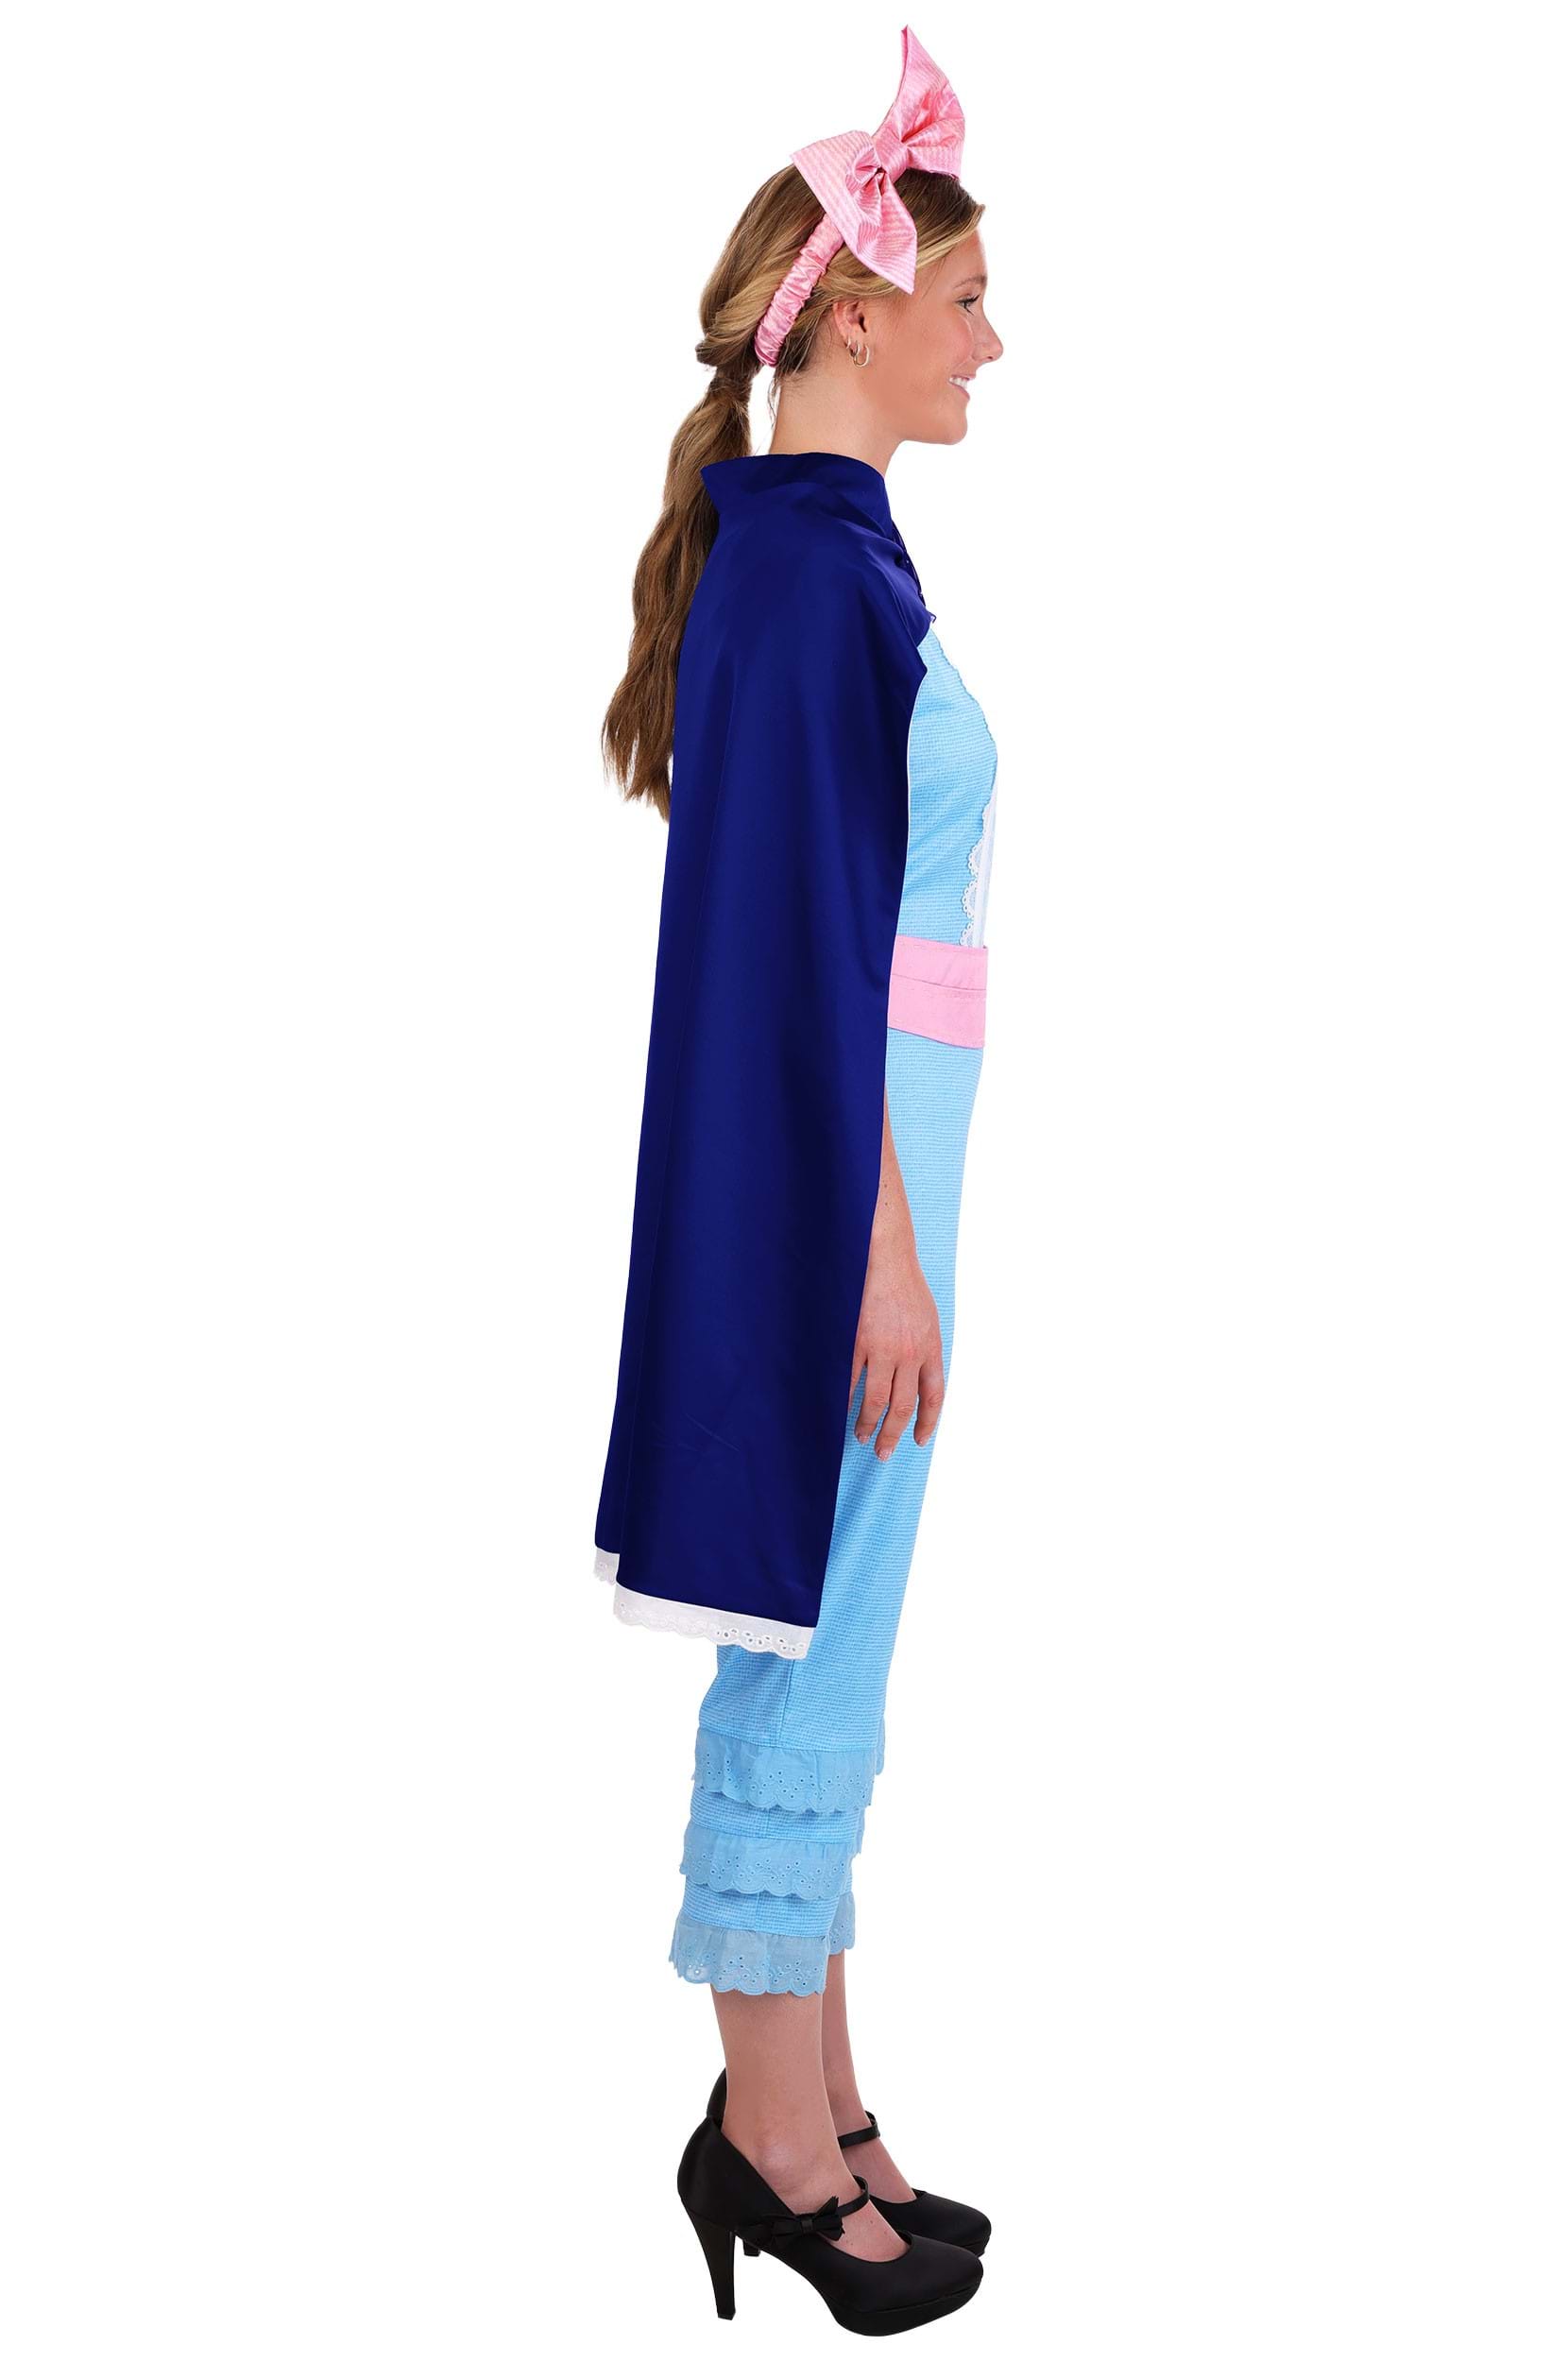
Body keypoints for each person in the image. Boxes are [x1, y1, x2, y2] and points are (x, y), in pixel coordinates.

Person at [591, 28, 1006, 2336]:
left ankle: (820, 2087)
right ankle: (762, 2132)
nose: (988, 344)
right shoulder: (806, 581)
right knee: (809, 1621)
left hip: (883, 1142)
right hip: (851, 1171)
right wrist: (884, 1248)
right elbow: (802, 956)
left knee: (840, 1611)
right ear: (852, 308)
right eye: (962, 297)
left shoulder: (828, 555)